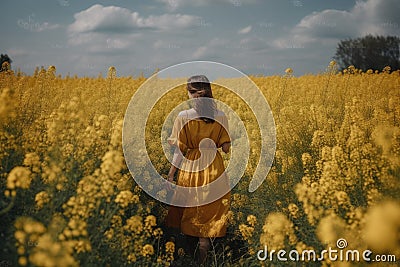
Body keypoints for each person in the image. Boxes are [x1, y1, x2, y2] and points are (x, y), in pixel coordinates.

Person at [164, 75, 231, 264]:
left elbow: (179, 151)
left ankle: (188, 257)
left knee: (190, 208)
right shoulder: (221, 116)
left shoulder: (183, 117)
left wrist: (170, 175)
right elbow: (225, 149)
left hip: (191, 167)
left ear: (190, 93)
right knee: (210, 210)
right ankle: (203, 258)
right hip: (214, 168)